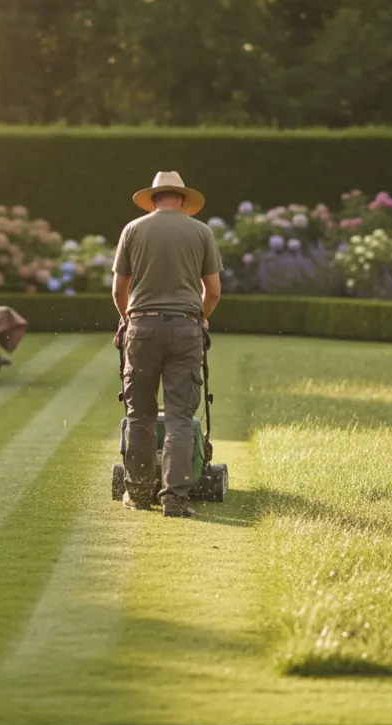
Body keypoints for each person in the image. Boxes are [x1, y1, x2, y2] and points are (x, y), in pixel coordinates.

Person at [111, 171, 223, 518]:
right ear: (184, 200)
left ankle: (140, 493)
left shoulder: (133, 230)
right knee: (178, 417)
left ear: (153, 199)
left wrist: (127, 318)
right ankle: (174, 499)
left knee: (140, 415)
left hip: (141, 327)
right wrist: (200, 317)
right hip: (185, 330)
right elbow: (214, 291)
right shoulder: (201, 231)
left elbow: (119, 290)